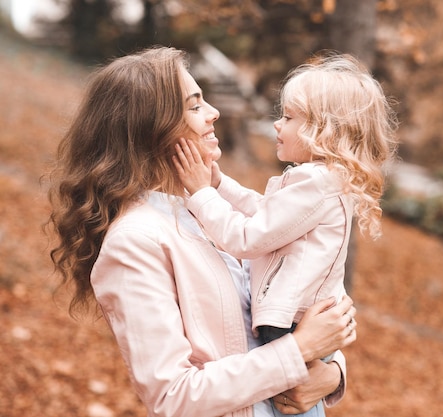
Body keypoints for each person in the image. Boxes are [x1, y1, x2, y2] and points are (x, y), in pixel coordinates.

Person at [46, 46, 357, 417]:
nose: (214, 114)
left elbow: (280, 312)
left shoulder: (208, 210)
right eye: (195, 106)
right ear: (150, 130)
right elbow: (172, 397)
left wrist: (333, 373)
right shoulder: (135, 241)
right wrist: (299, 351)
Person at [173, 53, 397, 416]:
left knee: (291, 405)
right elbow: (268, 212)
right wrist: (219, 184)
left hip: (291, 325)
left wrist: (201, 194)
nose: (277, 125)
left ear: (322, 130)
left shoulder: (316, 183)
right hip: (297, 322)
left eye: (289, 118)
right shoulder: (318, 182)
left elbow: (246, 238)